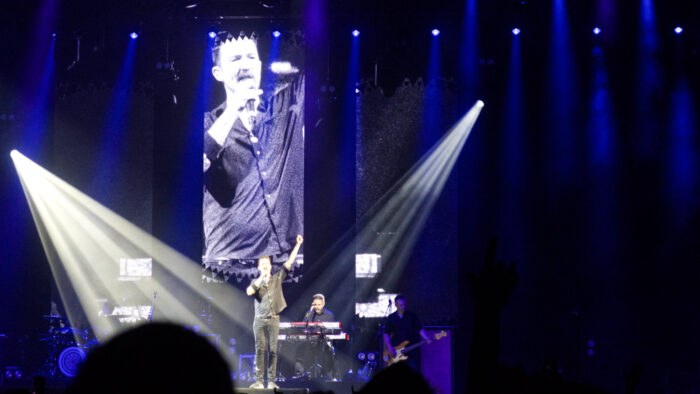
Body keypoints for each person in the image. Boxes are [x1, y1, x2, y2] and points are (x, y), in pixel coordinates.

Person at [203, 31, 304, 276]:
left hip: (286, 261)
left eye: (250, 57)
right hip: (229, 264)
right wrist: (234, 109)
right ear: (218, 73)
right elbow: (199, 162)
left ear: (259, 65)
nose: (245, 65)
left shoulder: (284, 111)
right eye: (235, 59)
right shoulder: (207, 122)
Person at [246, 234, 303, 389]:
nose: (265, 265)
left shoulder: (277, 278)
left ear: (270, 266)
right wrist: (260, 278)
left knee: (273, 351)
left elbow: (289, 262)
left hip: (274, 319)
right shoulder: (255, 282)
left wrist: (297, 245)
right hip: (259, 320)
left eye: (267, 263)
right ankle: (259, 381)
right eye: (262, 263)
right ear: (259, 267)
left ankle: (271, 381)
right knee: (259, 350)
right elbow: (249, 292)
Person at [382, 295, 431, 372]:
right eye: (401, 305)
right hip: (397, 351)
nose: (403, 307)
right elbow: (386, 334)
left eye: (404, 304)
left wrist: (426, 338)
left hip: (411, 351)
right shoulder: (391, 318)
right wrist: (390, 347)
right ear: (396, 305)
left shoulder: (412, 316)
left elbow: (420, 329)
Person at [298, 294, 336, 379]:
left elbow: (331, 329)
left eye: (319, 304)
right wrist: (310, 312)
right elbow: (303, 325)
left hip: (323, 341)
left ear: (323, 304)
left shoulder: (329, 315)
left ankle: (326, 373)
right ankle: (304, 373)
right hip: (311, 341)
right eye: (315, 304)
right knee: (301, 349)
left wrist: (322, 332)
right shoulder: (309, 313)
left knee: (327, 351)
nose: (317, 307)